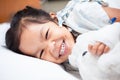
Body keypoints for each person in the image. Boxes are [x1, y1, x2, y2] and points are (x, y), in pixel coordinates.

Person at [5, 0, 120, 79]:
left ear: (54, 18)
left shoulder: (84, 14)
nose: (51, 47)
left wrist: (108, 38)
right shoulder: (68, 63)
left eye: (46, 34)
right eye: (41, 52)